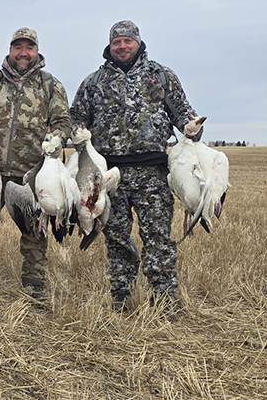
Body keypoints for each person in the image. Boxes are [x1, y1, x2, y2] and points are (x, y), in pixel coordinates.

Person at [70, 20, 198, 311]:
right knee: (115, 236)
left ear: (138, 43)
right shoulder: (94, 82)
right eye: (117, 42)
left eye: (128, 41)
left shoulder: (162, 76)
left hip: (152, 171)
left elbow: (184, 114)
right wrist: (77, 129)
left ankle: (165, 298)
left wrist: (192, 127)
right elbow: (76, 114)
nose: (122, 46)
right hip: (109, 175)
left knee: (158, 237)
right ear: (110, 46)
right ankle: (121, 295)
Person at [0, 27, 71, 300]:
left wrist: (56, 138)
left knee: (34, 227)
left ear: (36, 51)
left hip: (31, 172)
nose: (23, 53)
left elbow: (63, 122)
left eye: (28, 47)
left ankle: (34, 278)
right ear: (10, 50)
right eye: (18, 47)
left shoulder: (50, 85)